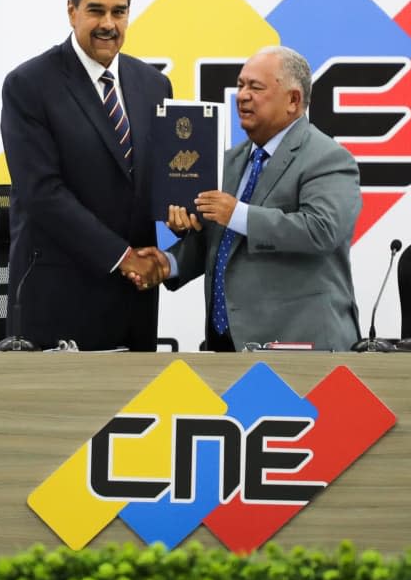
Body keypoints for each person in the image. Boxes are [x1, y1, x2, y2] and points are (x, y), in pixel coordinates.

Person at [135, 45, 362, 351]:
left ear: (293, 100)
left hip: (299, 345)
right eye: (240, 85)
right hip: (227, 344)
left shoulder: (328, 158)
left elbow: (322, 230)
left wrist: (237, 214)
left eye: (256, 87)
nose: (242, 95)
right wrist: (169, 263)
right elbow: (217, 241)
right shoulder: (228, 161)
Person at [0, 0, 172, 350]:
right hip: (59, 298)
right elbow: (42, 193)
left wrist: (176, 224)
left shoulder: (155, 85)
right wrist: (121, 256)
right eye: (96, 10)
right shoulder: (29, 85)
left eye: (119, 11)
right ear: (72, 10)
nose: (108, 24)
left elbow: (157, 181)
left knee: (134, 410)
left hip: (135, 300)